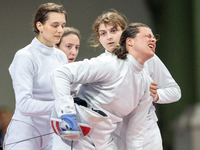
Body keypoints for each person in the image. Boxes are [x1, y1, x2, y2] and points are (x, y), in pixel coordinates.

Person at [50, 22, 156, 150]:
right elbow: (60, 74)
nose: (153, 39)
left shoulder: (147, 84)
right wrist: (67, 114)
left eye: (153, 37)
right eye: (147, 36)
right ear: (130, 41)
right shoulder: (109, 63)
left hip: (104, 142)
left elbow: (135, 133)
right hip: (77, 139)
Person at [89, 10, 181, 150]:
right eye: (103, 33)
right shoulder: (98, 64)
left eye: (114, 30)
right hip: (116, 134)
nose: (109, 37)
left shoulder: (147, 57)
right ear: (99, 38)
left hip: (147, 131)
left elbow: (175, 91)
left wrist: (156, 95)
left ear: (125, 34)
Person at [3, 3, 68, 150]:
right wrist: (62, 105)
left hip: (52, 132)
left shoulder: (61, 57)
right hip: (25, 133)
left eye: (63, 25)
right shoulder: (25, 56)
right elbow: (24, 104)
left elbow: (62, 94)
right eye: (55, 25)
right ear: (40, 26)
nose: (60, 30)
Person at [52, 27, 81, 150]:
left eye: (76, 47)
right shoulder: (45, 75)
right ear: (56, 47)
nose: (73, 52)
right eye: (68, 46)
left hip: (71, 139)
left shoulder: (80, 77)